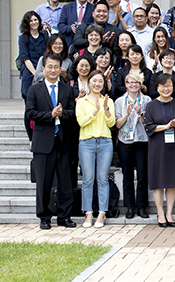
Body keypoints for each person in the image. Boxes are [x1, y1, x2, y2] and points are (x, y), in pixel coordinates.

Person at [25, 54, 77, 230]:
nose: (53, 70)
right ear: (44, 69)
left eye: (56, 67)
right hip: (43, 141)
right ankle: (44, 217)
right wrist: (50, 115)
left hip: (63, 142)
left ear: (60, 68)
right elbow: (30, 114)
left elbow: (73, 113)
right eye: (50, 67)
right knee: (44, 182)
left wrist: (62, 114)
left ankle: (65, 216)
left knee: (65, 182)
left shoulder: (67, 90)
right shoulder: (34, 90)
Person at [143, 73, 175, 227]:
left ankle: (169, 213)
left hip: (174, 146)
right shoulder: (151, 105)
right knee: (158, 181)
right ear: (157, 88)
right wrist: (166, 126)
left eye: (169, 86)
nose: (166, 89)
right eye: (163, 86)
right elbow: (149, 126)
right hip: (157, 146)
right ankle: (160, 213)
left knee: (172, 182)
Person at [75, 71, 116, 229]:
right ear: (89, 83)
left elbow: (111, 123)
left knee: (103, 179)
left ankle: (101, 213)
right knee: (87, 179)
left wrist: (105, 108)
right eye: (94, 81)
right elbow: (81, 122)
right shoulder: (82, 101)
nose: (97, 84)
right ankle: (88, 213)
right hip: (87, 142)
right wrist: (94, 111)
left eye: (100, 81)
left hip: (105, 142)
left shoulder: (108, 101)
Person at [114, 72, 151, 219]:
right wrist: (127, 114)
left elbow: (149, 123)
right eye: (130, 82)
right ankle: (130, 207)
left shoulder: (147, 100)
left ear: (140, 84)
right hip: (125, 140)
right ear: (126, 84)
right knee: (127, 175)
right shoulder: (119, 101)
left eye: (136, 82)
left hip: (142, 140)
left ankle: (141, 206)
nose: (133, 85)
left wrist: (140, 114)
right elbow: (117, 124)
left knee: (142, 175)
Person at [19, 11, 47, 99]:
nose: (34, 22)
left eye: (35, 19)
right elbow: (25, 58)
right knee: (28, 97)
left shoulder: (45, 36)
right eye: (31, 21)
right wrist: (36, 74)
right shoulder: (23, 38)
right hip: (29, 71)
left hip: (43, 70)